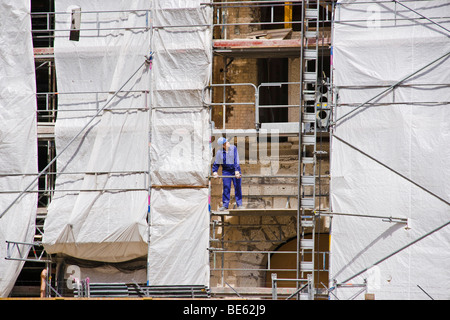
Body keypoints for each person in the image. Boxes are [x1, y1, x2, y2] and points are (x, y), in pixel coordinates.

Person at [212, 137, 243, 211]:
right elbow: (216, 163)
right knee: (226, 187)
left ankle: (239, 204)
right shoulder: (219, 152)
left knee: (237, 187)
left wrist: (236, 170)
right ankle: (225, 205)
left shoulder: (233, 148)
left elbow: (236, 159)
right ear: (223, 145)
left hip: (235, 169)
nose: (228, 142)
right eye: (226, 142)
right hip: (226, 171)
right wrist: (215, 171)